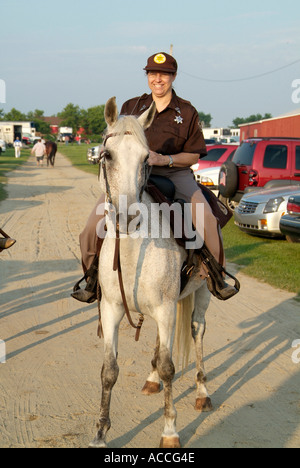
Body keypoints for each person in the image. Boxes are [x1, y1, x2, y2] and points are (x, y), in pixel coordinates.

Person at [71, 52, 239, 303]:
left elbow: (193, 155)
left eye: (164, 74)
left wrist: (164, 159)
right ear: (147, 76)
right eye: (152, 73)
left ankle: (215, 275)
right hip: (133, 174)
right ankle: (93, 280)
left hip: (174, 172)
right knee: (89, 228)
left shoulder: (186, 111)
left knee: (207, 219)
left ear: (173, 76)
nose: (157, 79)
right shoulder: (130, 107)